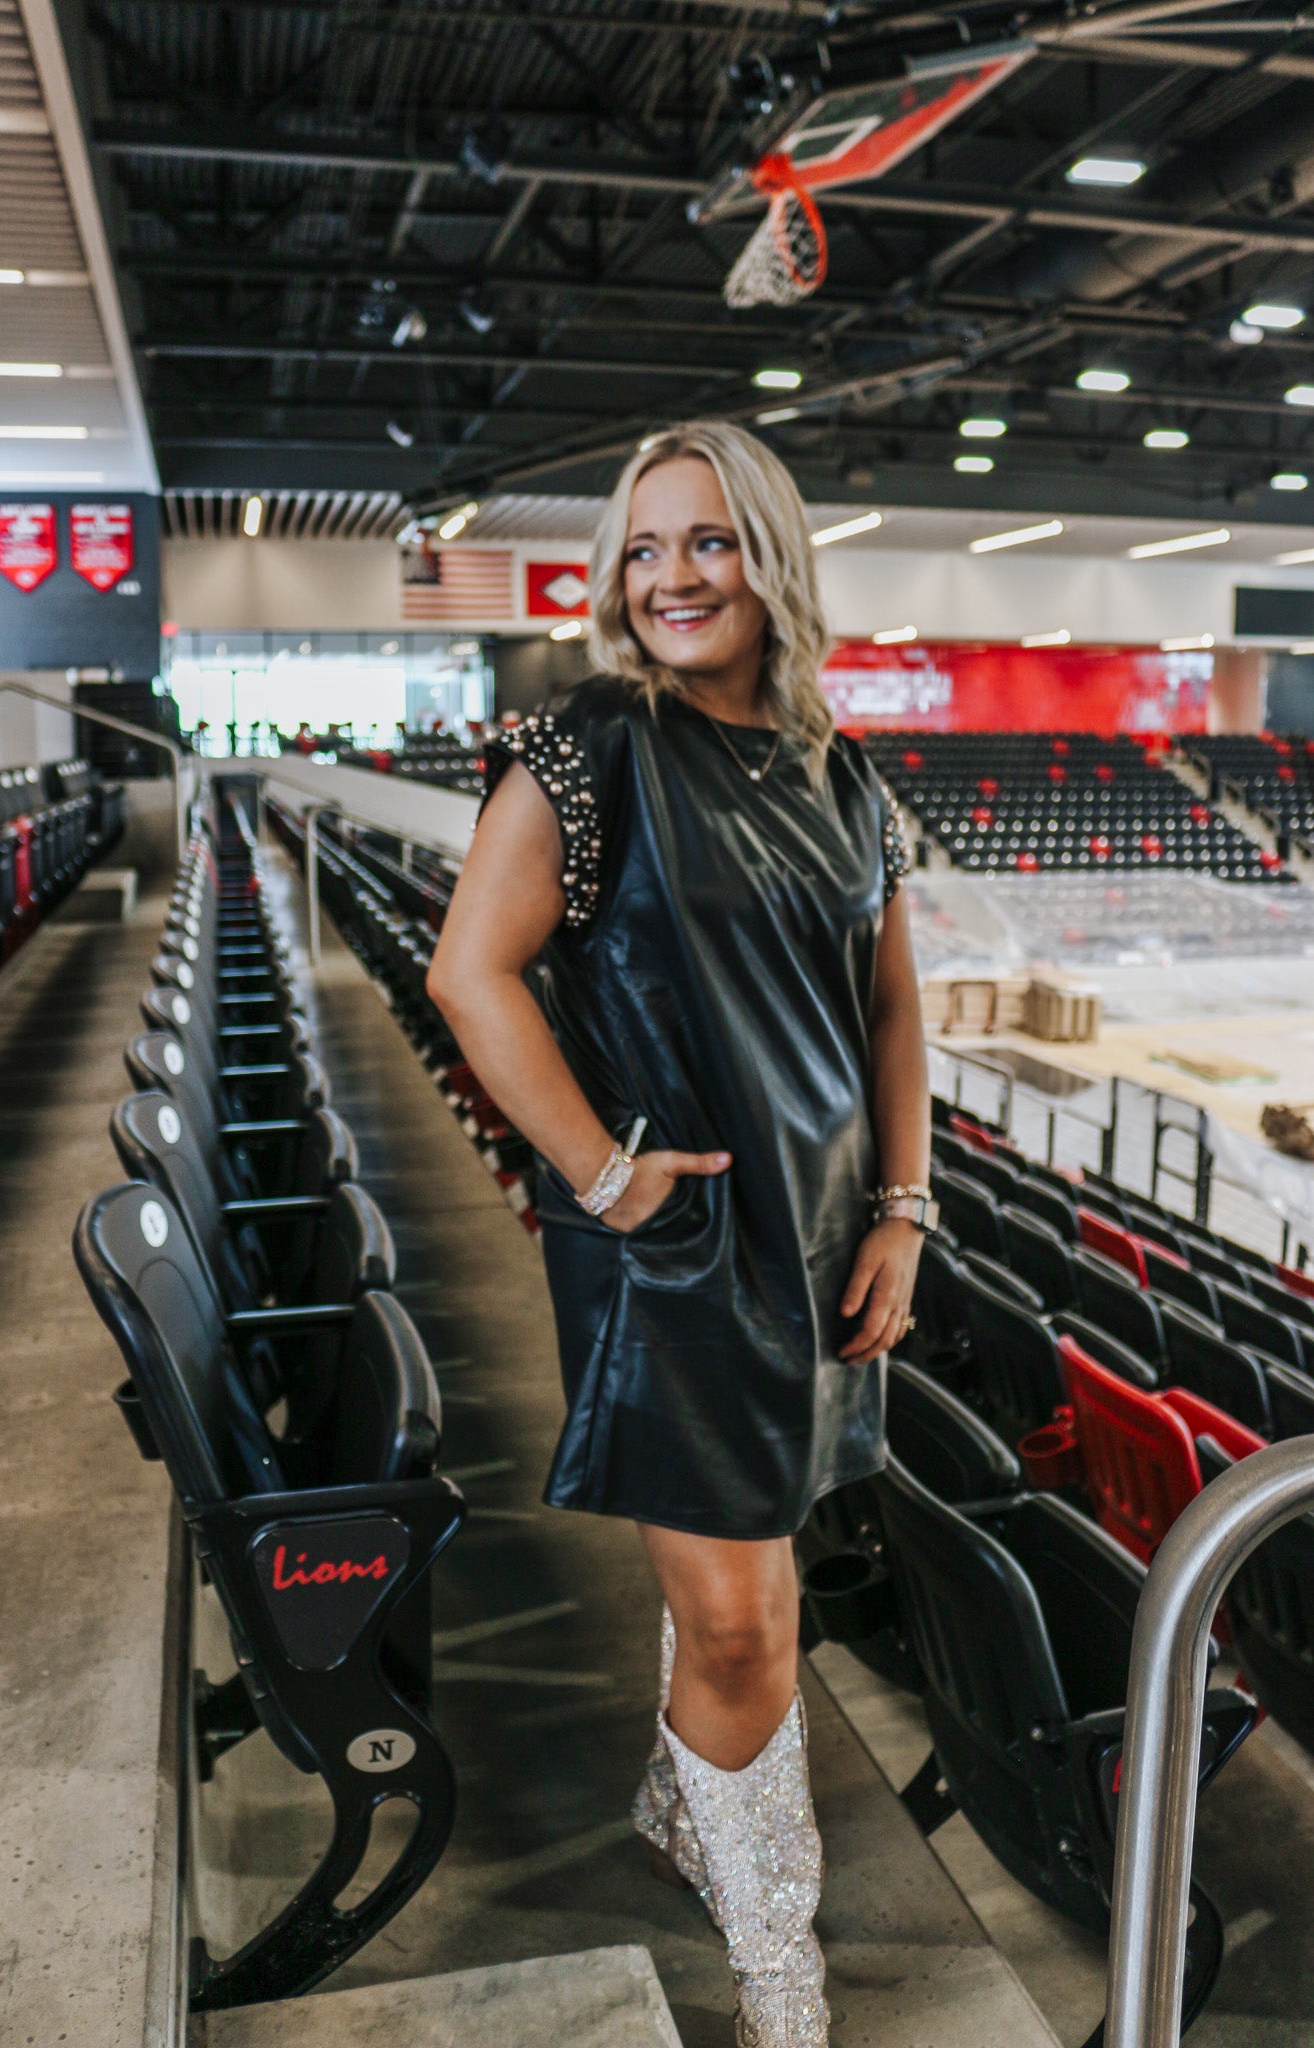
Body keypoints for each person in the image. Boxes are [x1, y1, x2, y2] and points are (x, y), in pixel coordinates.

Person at [427, 419, 932, 2046]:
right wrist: (601, 1175)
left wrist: (904, 1213)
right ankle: (779, 1965)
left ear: (768, 556)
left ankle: (675, 1805)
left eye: (704, 541)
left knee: (755, 1562)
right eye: (642, 550)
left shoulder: (841, 768)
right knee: (741, 1616)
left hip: (825, 1235)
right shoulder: (589, 746)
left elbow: (891, 1009)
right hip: (674, 1247)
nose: (669, 578)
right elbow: (469, 975)